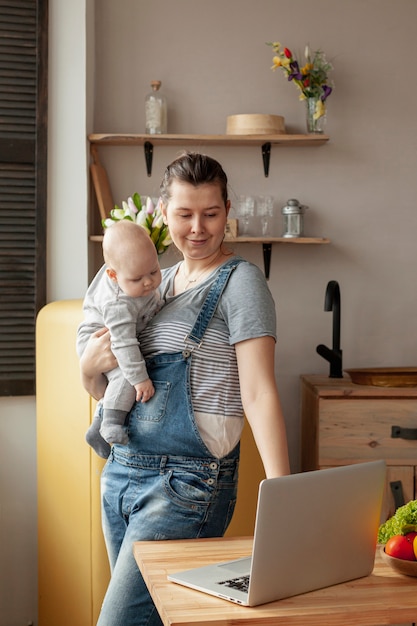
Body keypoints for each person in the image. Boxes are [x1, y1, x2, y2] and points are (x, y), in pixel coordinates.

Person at [79, 152, 290, 626]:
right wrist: (88, 369)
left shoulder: (241, 283)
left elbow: (259, 393)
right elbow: (117, 389)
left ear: (228, 211)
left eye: (211, 213)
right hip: (121, 472)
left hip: (185, 485)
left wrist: (281, 498)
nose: (198, 228)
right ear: (163, 214)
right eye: (184, 214)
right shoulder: (155, 283)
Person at [77, 219, 162, 458]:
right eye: (137, 279)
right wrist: (140, 379)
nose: (148, 282)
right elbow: (123, 344)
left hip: (117, 335)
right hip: (100, 338)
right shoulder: (118, 303)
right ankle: (111, 424)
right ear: (113, 276)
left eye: (154, 271)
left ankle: (96, 429)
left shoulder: (134, 277)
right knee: (127, 372)